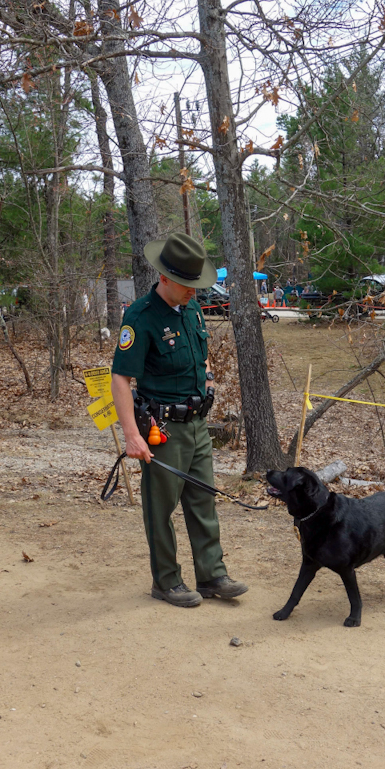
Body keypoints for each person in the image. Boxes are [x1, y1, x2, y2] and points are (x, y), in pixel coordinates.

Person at [111, 232, 248, 608]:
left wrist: (204, 378)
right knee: (161, 507)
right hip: (162, 430)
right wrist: (131, 435)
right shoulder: (140, 318)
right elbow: (121, 378)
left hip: (197, 423)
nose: (194, 292)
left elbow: (197, 356)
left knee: (203, 501)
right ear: (166, 278)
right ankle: (167, 581)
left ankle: (211, 575)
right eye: (188, 285)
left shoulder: (190, 308)